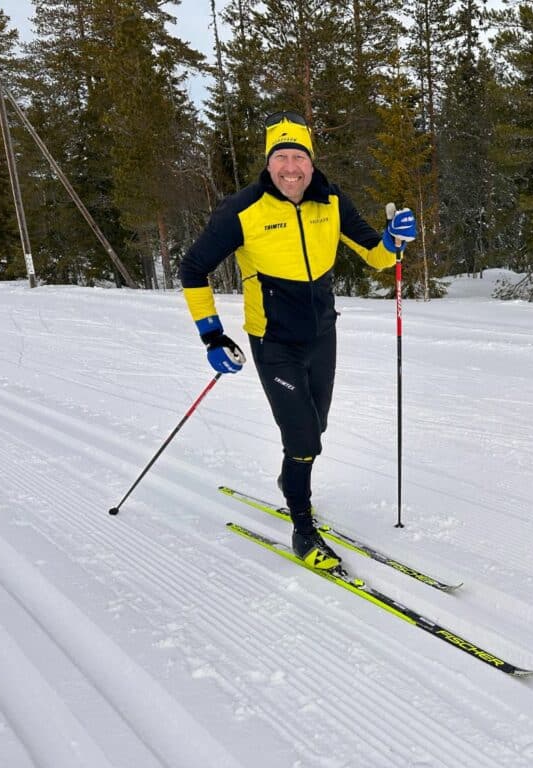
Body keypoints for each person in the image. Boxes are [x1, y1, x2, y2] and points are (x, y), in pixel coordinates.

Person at [179, 111, 417, 571]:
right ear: (269, 164)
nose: (291, 168)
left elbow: (375, 256)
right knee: (305, 435)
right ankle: (303, 529)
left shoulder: (331, 201)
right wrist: (211, 334)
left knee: (314, 429)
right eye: (282, 157)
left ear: (312, 162)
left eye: (299, 157)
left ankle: (292, 478)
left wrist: (394, 241)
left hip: (322, 335)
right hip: (273, 342)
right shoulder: (241, 209)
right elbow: (193, 268)